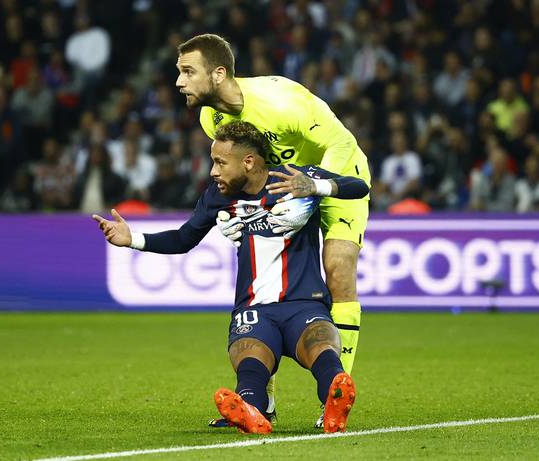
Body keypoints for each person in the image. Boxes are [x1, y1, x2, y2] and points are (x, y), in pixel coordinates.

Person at [92, 121, 369, 434]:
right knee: (250, 359)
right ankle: (251, 411)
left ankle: (334, 399)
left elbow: (359, 187)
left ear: (248, 162)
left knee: (320, 348)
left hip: (305, 304)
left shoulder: (294, 178)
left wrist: (315, 187)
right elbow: (184, 239)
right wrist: (133, 239)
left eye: (220, 162)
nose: (213, 171)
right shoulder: (218, 196)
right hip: (255, 309)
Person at [175, 34, 371, 427]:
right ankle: (260, 403)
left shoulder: (280, 99)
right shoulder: (209, 117)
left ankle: (332, 400)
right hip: (281, 189)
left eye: (187, 71)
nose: (179, 81)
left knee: (338, 271)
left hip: (334, 174)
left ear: (218, 73)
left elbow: (339, 142)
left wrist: (314, 187)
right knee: (266, 289)